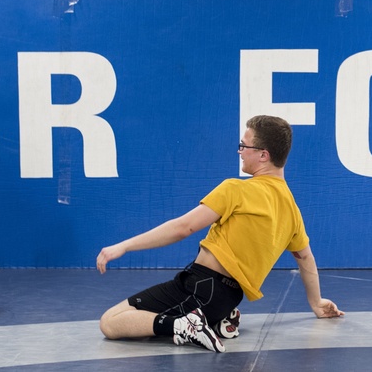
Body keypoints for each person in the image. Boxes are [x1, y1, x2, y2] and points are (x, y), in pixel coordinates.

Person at [96, 115, 344, 353]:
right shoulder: (292, 211)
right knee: (150, 317)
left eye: (243, 145)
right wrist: (316, 302)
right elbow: (305, 259)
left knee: (110, 321)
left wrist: (125, 246)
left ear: (263, 155)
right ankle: (217, 320)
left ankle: (185, 325)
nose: (239, 151)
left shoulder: (236, 189)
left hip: (200, 287)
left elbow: (184, 227)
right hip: (227, 299)